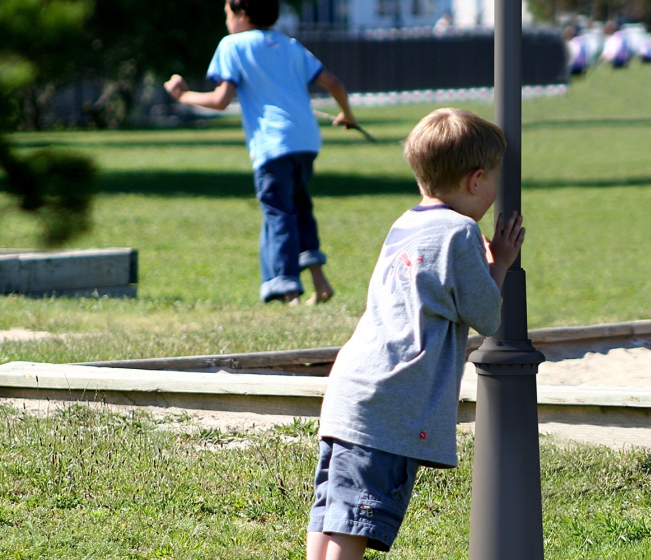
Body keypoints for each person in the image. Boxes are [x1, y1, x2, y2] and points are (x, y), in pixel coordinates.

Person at [307, 108, 526, 559]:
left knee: (331, 512)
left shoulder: (406, 222)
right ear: (476, 180)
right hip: (393, 399)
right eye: (495, 181)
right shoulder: (460, 232)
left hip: (353, 387)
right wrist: (500, 263)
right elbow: (486, 315)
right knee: (356, 519)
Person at [164, 0, 357, 305]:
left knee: (279, 214)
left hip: (272, 144)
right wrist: (347, 114)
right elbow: (332, 82)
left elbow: (221, 100)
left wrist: (184, 96)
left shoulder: (232, 45)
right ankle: (319, 282)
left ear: (242, 14)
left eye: (227, 14)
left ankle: (288, 290)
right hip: (305, 141)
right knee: (300, 208)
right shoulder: (290, 45)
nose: (226, 21)